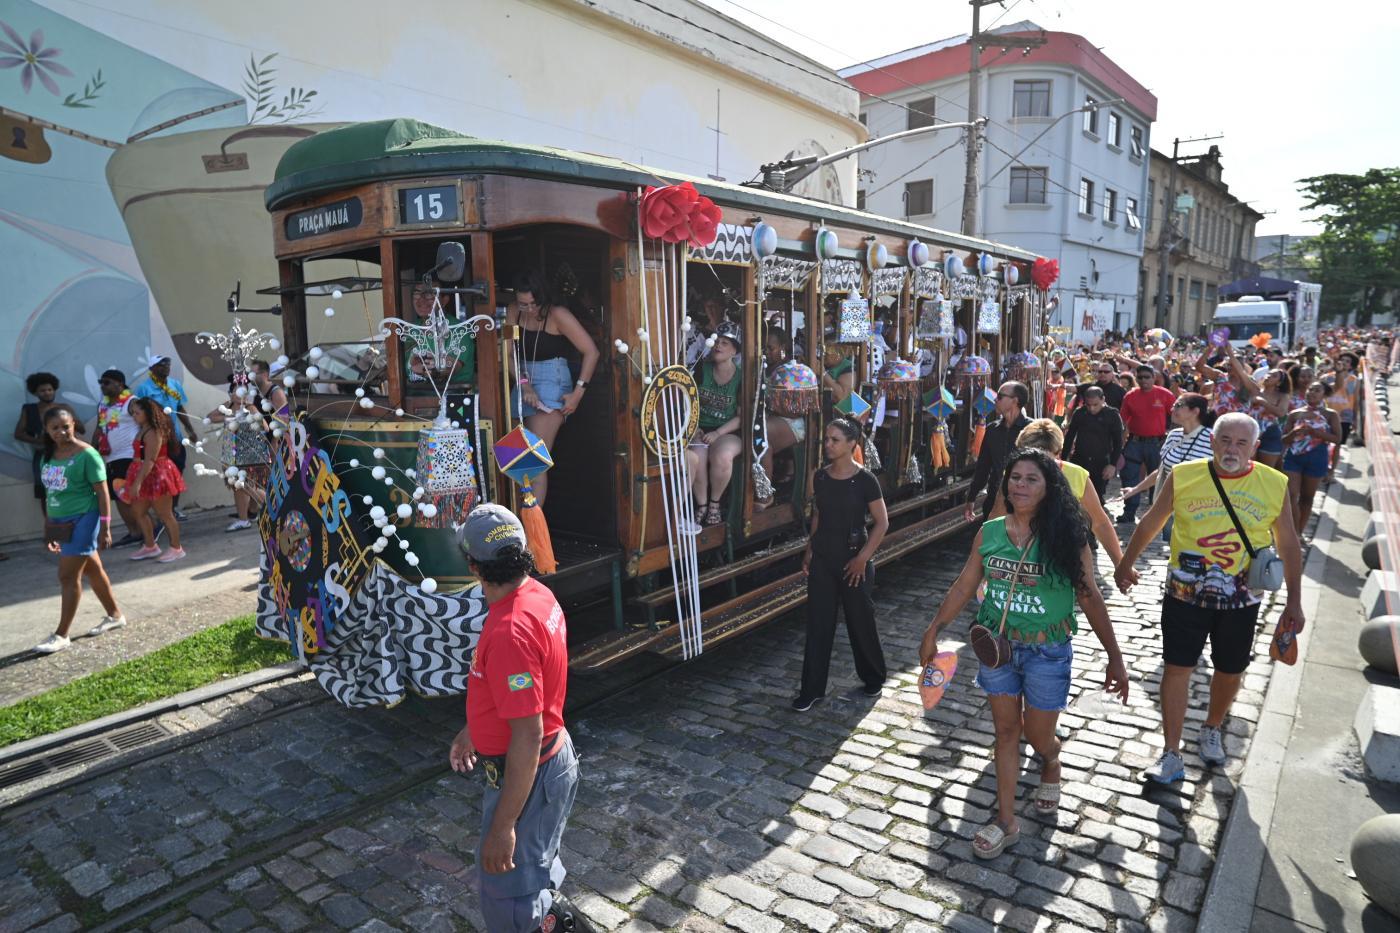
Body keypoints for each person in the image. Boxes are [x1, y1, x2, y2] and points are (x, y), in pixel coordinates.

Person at [921, 448, 1129, 858]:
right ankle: (1006, 820)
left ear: (1049, 487)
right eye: (1015, 477)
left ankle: (1051, 759)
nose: (1020, 485)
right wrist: (934, 630)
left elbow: (1089, 598)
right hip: (996, 648)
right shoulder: (991, 532)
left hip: (1046, 652)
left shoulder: (1068, 537)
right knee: (1004, 732)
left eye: (1032, 478)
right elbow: (965, 586)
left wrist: (1115, 656)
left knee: (1037, 736)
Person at [1116, 413, 1304, 782]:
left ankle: (1212, 727)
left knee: (1230, 669)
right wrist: (1125, 564)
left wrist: (1294, 600)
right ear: (1213, 441)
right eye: (1225, 440)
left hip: (1241, 599)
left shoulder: (1273, 483)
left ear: (1253, 448)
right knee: (1177, 666)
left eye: (1240, 443)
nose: (1231, 449)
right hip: (1185, 593)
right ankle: (1171, 752)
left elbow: (1289, 543)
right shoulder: (1184, 476)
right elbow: (1152, 520)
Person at [447, 504, 591, 933]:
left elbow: (527, 733)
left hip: (531, 771)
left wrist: (504, 826)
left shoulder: (510, 630)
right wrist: (475, 727)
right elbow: (527, 691)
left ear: (473, 566)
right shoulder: (536, 595)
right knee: (536, 867)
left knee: (508, 894)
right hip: (548, 762)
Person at [794, 419, 890, 711]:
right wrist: (810, 549)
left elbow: (882, 522)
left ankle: (873, 677)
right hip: (823, 557)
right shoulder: (820, 477)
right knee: (818, 624)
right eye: (826, 439)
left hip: (854, 560)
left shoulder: (865, 480)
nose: (828, 444)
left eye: (835, 440)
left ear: (852, 444)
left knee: (860, 620)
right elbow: (818, 516)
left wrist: (862, 558)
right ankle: (812, 690)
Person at [35, 405, 127, 653]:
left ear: (73, 424)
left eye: (65, 426)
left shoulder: (87, 454)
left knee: (67, 577)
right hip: (59, 522)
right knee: (93, 570)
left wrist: (105, 526)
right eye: (55, 428)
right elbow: (50, 493)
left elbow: (102, 491)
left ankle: (61, 634)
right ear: (47, 430)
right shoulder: (47, 455)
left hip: (84, 520)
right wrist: (48, 528)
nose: (61, 432)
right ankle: (115, 615)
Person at [506, 273, 600, 509]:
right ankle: (519, 523)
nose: (527, 309)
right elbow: (507, 353)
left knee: (533, 461)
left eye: (532, 304)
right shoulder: (512, 311)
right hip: (521, 377)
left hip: (553, 378)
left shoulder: (558, 314)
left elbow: (592, 352)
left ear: (543, 299)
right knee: (513, 457)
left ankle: (531, 531)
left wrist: (578, 393)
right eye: (522, 304)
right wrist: (524, 383)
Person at [986, 419, 1124, 567]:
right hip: (1019, 557)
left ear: (1057, 454)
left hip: (1061, 557)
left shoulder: (1076, 475)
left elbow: (1099, 523)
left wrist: (1120, 564)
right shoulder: (1014, 475)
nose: (1035, 465)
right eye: (1028, 456)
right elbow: (996, 519)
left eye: (1043, 457)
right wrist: (984, 563)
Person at [1120, 393, 1215, 541]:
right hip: (1170, 507)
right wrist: (1135, 489)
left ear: (1195, 411)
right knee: (1173, 555)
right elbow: (1162, 471)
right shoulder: (1173, 435)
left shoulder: (1211, 438)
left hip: (1199, 510)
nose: (1172, 409)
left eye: (1178, 405)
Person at [686, 321, 744, 526]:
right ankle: (701, 505)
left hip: (728, 430)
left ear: (734, 350)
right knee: (696, 455)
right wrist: (693, 426)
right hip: (699, 428)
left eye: (725, 343)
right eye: (716, 342)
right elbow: (686, 400)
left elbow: (742, 416)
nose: (718, 346)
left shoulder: (741, 377)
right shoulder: (701, 369)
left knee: (722, 455)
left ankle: (714, 503)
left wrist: (718, 433)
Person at [123, 397, 187, 562]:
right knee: (138, 512)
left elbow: (150, 460)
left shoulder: (154, 432)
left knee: (164, 514)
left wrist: (137, 482)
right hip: (143, 473)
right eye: (133, 413)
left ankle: (176, 548)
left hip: (157, 474)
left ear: (148, 412)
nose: (134, 416)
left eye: (137, 412)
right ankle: (150, 546)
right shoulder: (143, 428)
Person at [135, 355, 198, 520]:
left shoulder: (174, 385)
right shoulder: (143, 389)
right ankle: (160, 511)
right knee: (157, 477)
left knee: (176, 474)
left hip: (175, 440)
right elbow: (139, 416)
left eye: (167, 363)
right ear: (151, 368)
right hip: (156, 441)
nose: (166, 366)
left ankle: (173, 509)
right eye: (161, 364)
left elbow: (180, 408)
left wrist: (190, 429)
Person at [209, 376, 271, 532]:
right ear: (230, 393)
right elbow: (210, 417)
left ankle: (269, 506)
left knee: (247, 484)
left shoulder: (250, 408)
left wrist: (247, 419)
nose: (238, 394)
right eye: (235, 391)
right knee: (236, 485)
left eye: (242, 391)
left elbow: (265, 427)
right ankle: (244, 518)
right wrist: (229, 417)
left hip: (250, 451)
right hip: (231, 450)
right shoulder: (228, 405)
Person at [1117, 365, 1177, 524]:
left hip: (1157, 443)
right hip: (1135, 442)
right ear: (1136, 378)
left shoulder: (1165, 395)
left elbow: (1177, 416)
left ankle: (1157, 514)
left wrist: (1171, 436)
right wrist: (1120, 445)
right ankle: (1129, 512)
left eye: (1147, 377)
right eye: (1140, 377)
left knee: (1159, 479)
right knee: (1129, 477)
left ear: (1153, 377)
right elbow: (1122, 421)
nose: (1143, 380)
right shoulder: (1130, 396)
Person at [964, 382, 1031, 523]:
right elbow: (983, 467)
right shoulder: (992, 430)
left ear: (1015, 400)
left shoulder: (1031, 430)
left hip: (1024, 501)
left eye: (1000, 396)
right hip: (995, 500)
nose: (995, 400)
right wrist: (971, 497)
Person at [1281, 381, 1341, 533]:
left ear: (1324, 394)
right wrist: (1294, 433)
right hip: (1293, 458)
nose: (1312, 392)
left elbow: (1337, 438)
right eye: (1310, 389)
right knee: (1291, 495)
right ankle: (1291, 531)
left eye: (1317, 390)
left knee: (1307, 498)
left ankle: (1299, 532)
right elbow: (1284, 439)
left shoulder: (1330, 415)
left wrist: (1315, 433)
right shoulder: (1295, 414)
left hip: (1317, 457)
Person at [93, 369, 144, 547]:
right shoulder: (102, 405)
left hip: (128, 456)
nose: (103, 386)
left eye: (107, 382)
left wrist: (141, 447)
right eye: (101, 383)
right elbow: (100, 428)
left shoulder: (132, 402)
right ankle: (134, 532)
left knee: (130, 497)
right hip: (109, 458)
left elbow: (148, 424)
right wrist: (93, 450)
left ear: (120, 385)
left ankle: (148, 528)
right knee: (118, 497)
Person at [759, 326, 803, 500]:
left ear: (783, 347)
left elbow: (796, 410)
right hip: (771, 417)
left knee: (761, 435)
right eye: (764, 348)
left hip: (793, 420)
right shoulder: (762, 367)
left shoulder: (792, 371)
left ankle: (765, 493)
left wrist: (770, 406)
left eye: (771, 348)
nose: (766, 352)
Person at [14, 372, 66, 518]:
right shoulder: (29, 410)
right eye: (43, 390)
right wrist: (39, 440)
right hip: (44, 456)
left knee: (67, 487)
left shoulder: (63, 408)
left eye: (50, 389)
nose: (47, 393)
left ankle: (67, 523)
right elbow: (18, 433)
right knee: (46, 491)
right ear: (35, 392)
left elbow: (79, 428)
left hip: (64, 454)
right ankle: (50, 526)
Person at [1062, 386, 1123, 503]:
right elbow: (1070, 437)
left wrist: (1112, 464)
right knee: (1076, 494)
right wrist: (1064, 460)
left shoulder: (1112, 415)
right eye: (1088, 405)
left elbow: (1118, 441)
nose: (1092, 408)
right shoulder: (1080, 413)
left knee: (1097, 496)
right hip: (1080, 459)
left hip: (1101, 461)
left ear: (1103, 400)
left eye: (1095, 405)